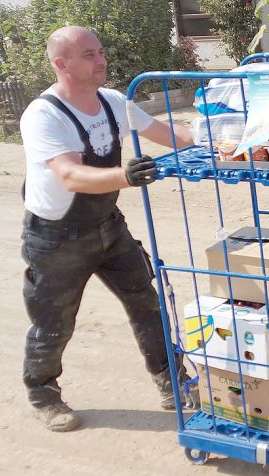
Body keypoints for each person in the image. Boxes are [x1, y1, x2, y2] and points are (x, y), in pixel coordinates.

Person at [19, 25, 195, 432]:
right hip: (55, 238)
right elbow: (70, 175)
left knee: (146, 301)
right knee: (53, 322)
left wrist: (232, 136)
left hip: (107, 226)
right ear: (62, 64)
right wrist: (126, 176)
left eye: (100, 52)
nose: (102, 61)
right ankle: (43, 395)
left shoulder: (114, 101)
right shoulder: (43, 115)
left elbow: (175, 136)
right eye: (89, 55)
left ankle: (172, 382)